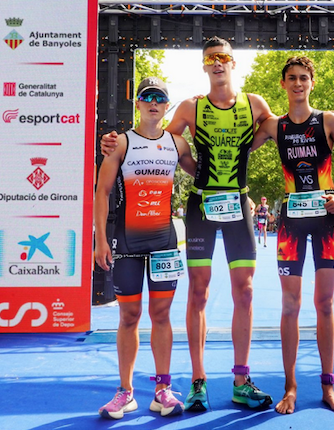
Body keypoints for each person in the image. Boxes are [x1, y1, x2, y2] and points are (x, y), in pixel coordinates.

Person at [101, 36, 277, 411]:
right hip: (200, 206)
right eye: (211, 58)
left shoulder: (255, 104)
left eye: (224, 58)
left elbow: (289, 128)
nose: (218, 63)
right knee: (198, 291)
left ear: (233, 63)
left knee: (244, 291)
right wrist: (112, 142)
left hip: (238, 205)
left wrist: (329, 122)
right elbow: (162, 139)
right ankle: (198, 381)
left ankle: (241, 380)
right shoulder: (188, 108)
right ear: (204, 65)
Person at [252, 56, 334, 414]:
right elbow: (238, 148)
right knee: (290, 306)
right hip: (291, 222)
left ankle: (329, 387)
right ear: (283, 84)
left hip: (327, 220)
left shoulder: (327, 120)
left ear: (312, 83)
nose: (298, 84)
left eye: (303, 78)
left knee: (325, 304)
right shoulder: (273, 125)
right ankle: (290, 387)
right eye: (291, 79)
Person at [95, 77, 195, 419]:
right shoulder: (121, 143)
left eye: (160, 98)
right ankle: (125, 392)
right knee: (129, 316)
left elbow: (206, 172)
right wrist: (99, 240)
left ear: (167, 106)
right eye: (147, 97)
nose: (153, 103)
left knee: (162, 315)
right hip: (127, 242)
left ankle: (162, 389)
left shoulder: (177, 143)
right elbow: (102, 192)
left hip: (164, 242)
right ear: (137, 104)